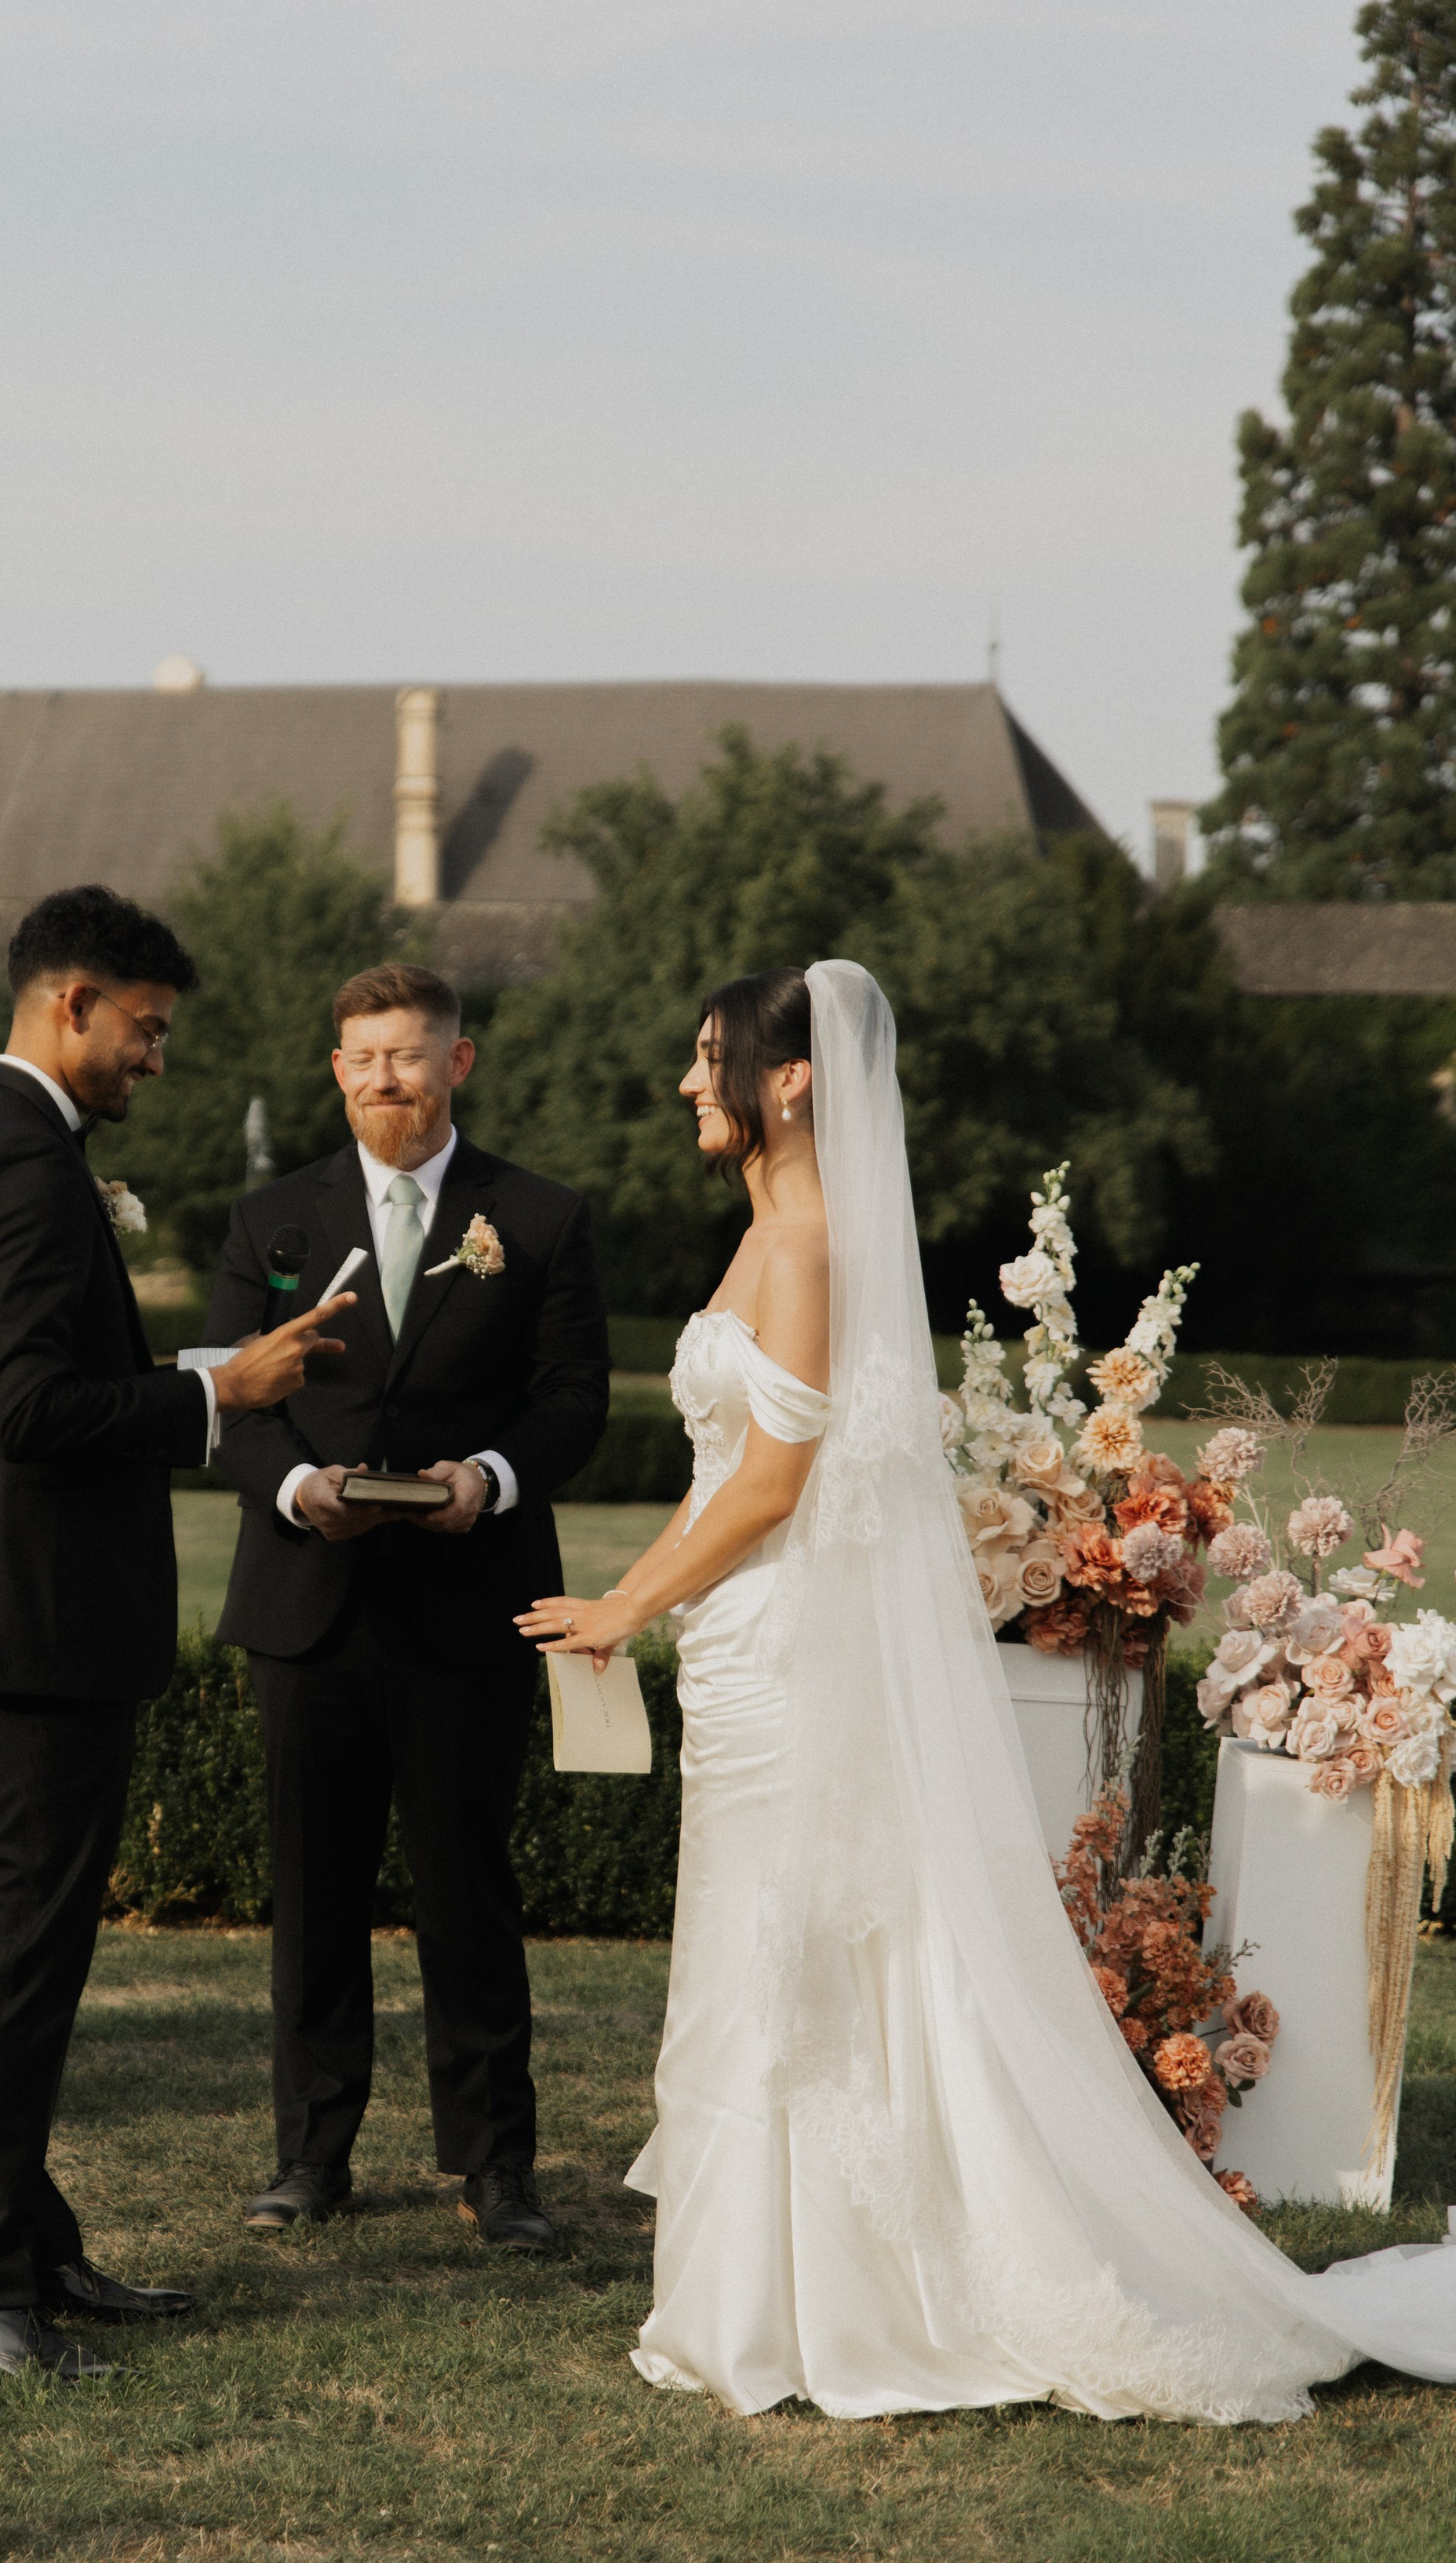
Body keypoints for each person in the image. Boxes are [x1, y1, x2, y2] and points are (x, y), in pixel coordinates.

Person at [518, 959, 1456, 2421]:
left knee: (804, 1947)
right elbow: (724, 1465)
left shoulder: (810, 1243)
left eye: (713, 1061)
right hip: (738, 1646)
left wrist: (630, 1604)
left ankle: (833, 2302)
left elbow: (771, 1484)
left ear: (791, 1081)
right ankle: (743, 2292)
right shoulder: (764, 1235)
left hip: (781, 1650)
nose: (691, 1083)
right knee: (756, 1938)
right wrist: (626, 1607)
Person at [0, 885, 354, 2381]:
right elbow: (31, 1412)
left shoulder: (15, 1143)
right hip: (37, 1628)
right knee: (19, 1963)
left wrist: (201, 1368)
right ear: (72, 1002)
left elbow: (40, 1385)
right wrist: (217, 1394)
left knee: (19, 1952)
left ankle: (27, 2247)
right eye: (148, 1031)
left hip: (33, 1618)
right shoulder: (28, 1170)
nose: (156, 1061)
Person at [205, 961, 608, 2250]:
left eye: (412, 1055)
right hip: (308, 1603)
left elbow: (571, 1404)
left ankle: (497, 2170)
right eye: (366, 1057)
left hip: (470, 1606)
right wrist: (295, 1488)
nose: (389, 1078)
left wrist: (483, 1482)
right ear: (338, 1071)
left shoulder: (536, 1219)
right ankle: (310, 2161)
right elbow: (228, 1394)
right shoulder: (270, 1221)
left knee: (470, 1895)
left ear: (460, 1063)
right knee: (314, 1898)